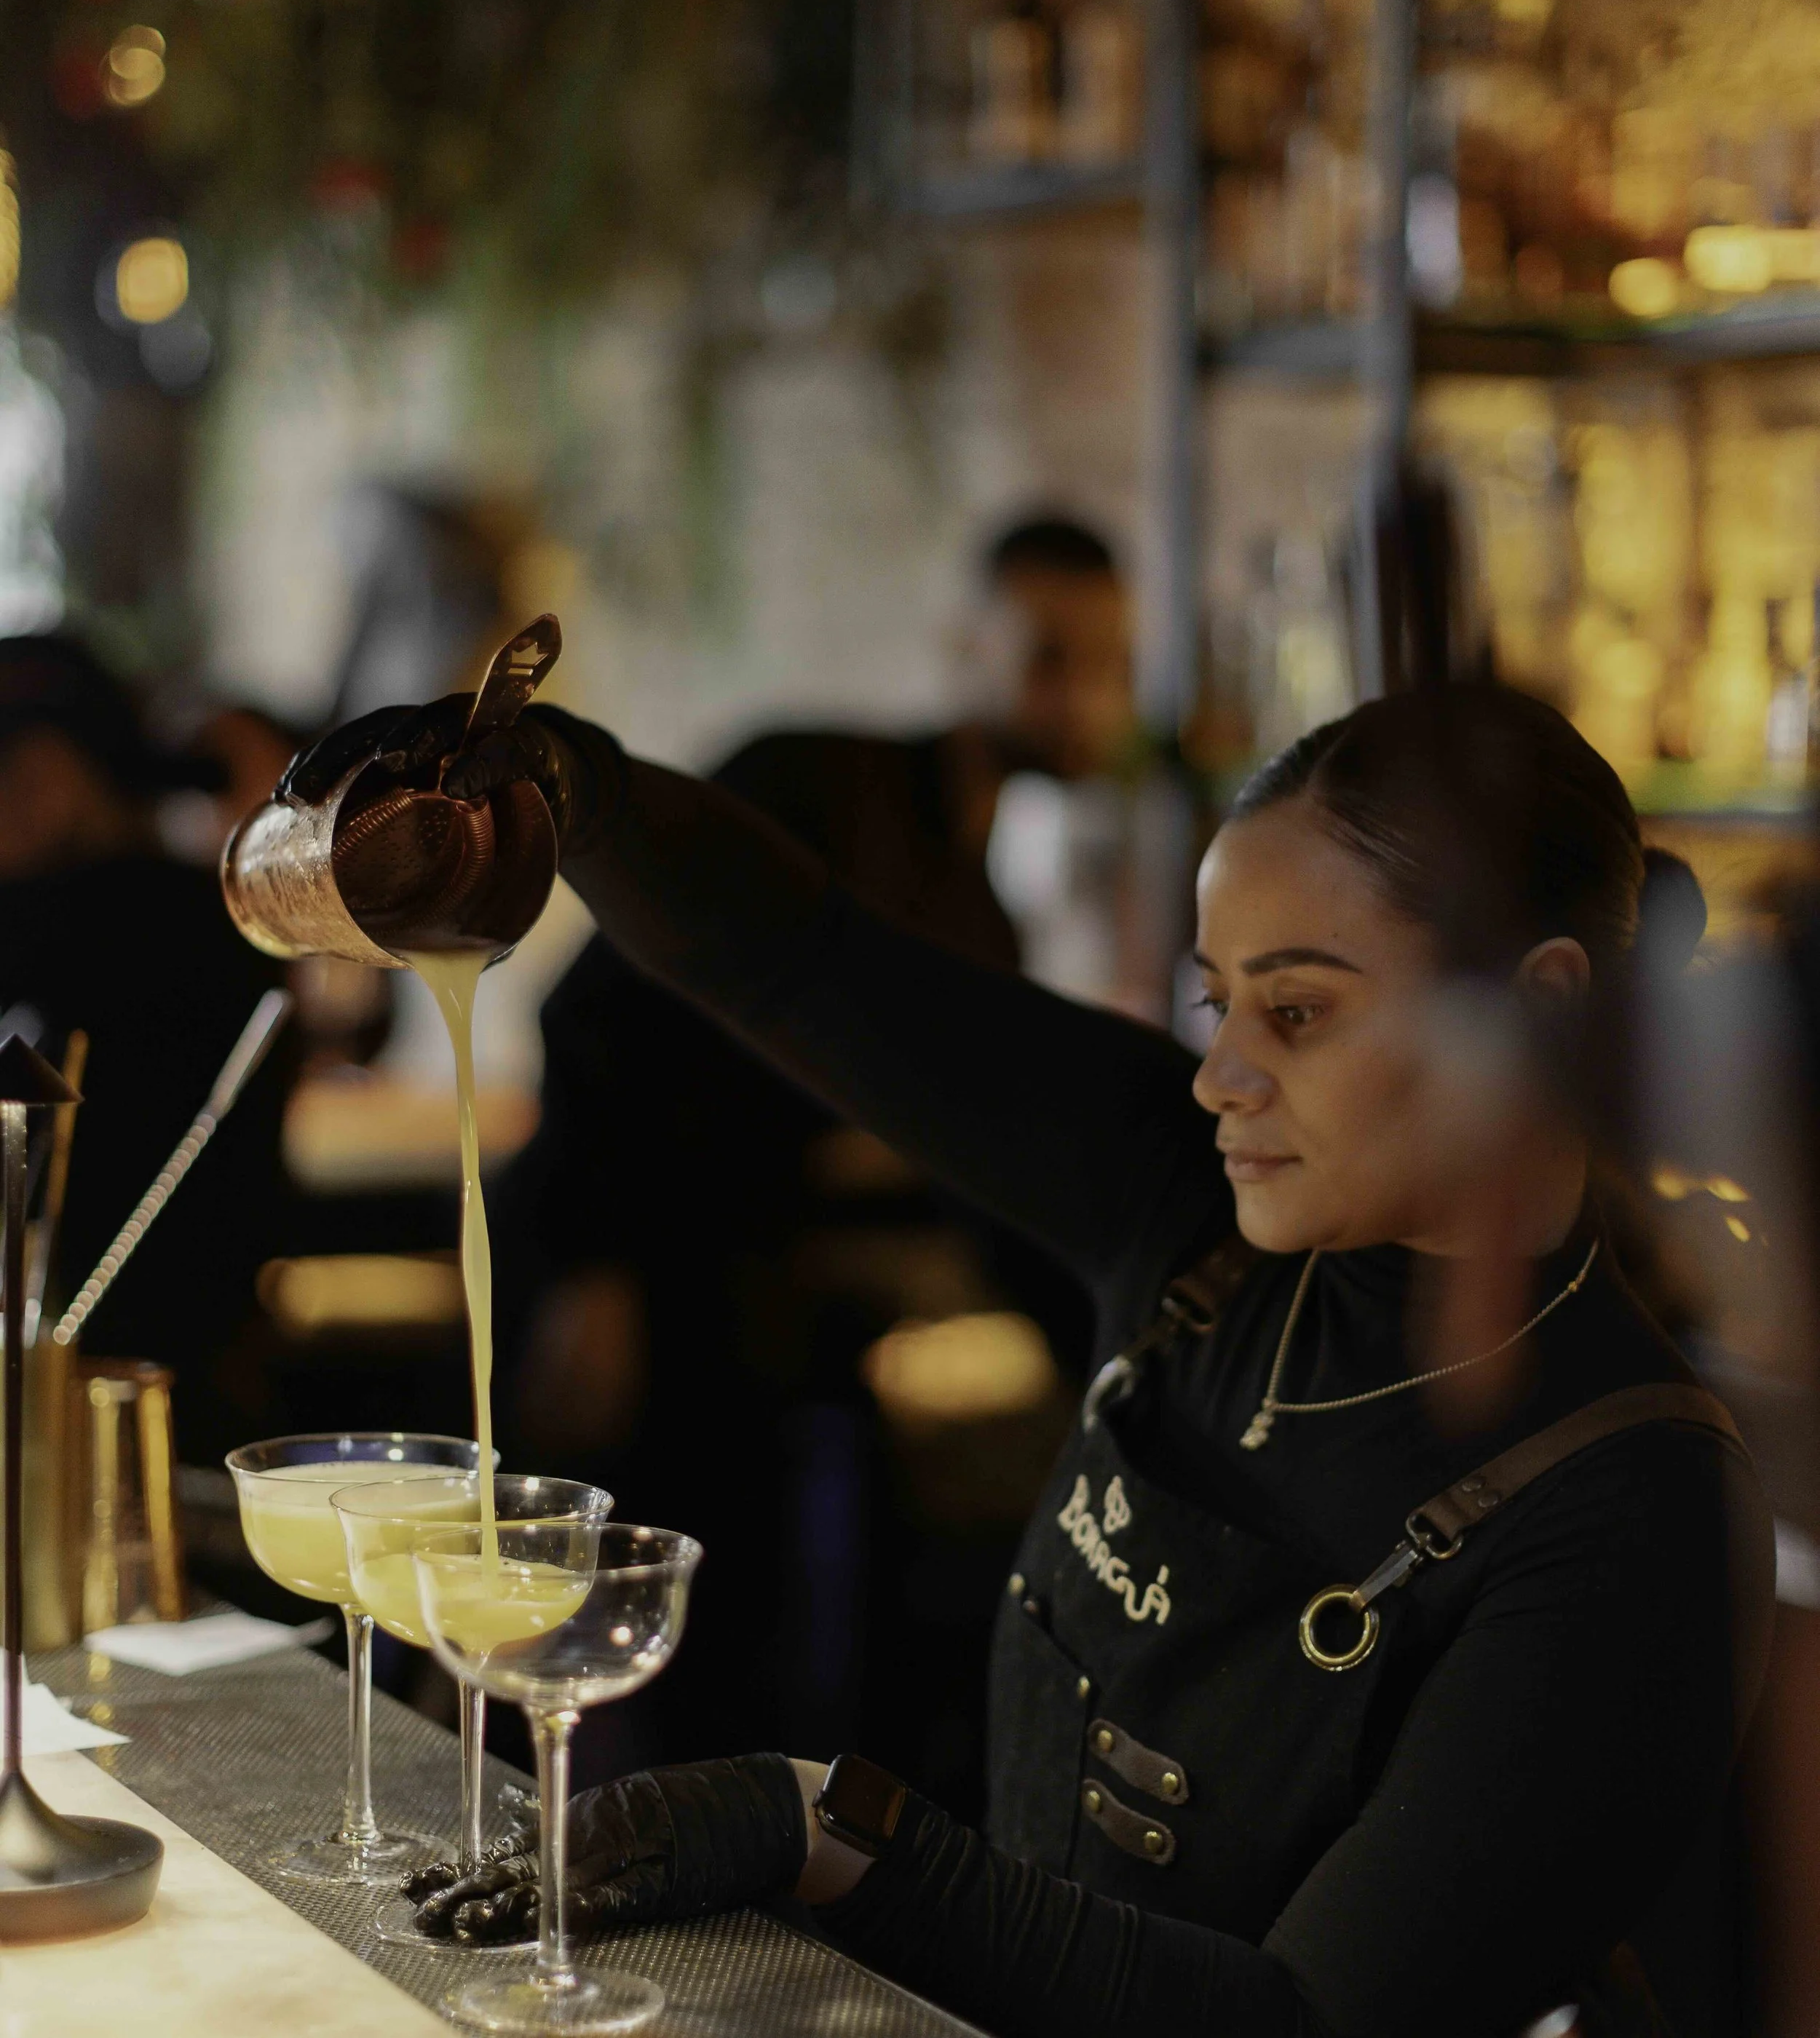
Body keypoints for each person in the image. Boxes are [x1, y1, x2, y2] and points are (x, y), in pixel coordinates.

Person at [282, 680, 1773, 2038]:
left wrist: (820, 1824)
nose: (1218, 1072)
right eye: (1218, 1000)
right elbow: (805, 962)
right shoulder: (1191, 1213)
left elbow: (1295, 2018)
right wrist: (560, 782)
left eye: (1298, 1010)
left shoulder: (1632, 1504)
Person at [488, 510, 1134, 1780]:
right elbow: (593, 1014)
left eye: (1110, 665)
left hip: (754, 1318)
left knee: (735, 1679)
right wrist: (590, 1275)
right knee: (552, 1660)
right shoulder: (807, 783)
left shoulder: (981, 911)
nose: (1085, 698)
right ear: (967, 646)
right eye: (1051, 655)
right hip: (625, 1266)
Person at [0, 635, 293, 1464]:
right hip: (196, 1397)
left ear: (46, 780)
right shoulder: (221, 926)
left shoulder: (80, 933)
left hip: (106, 1422)